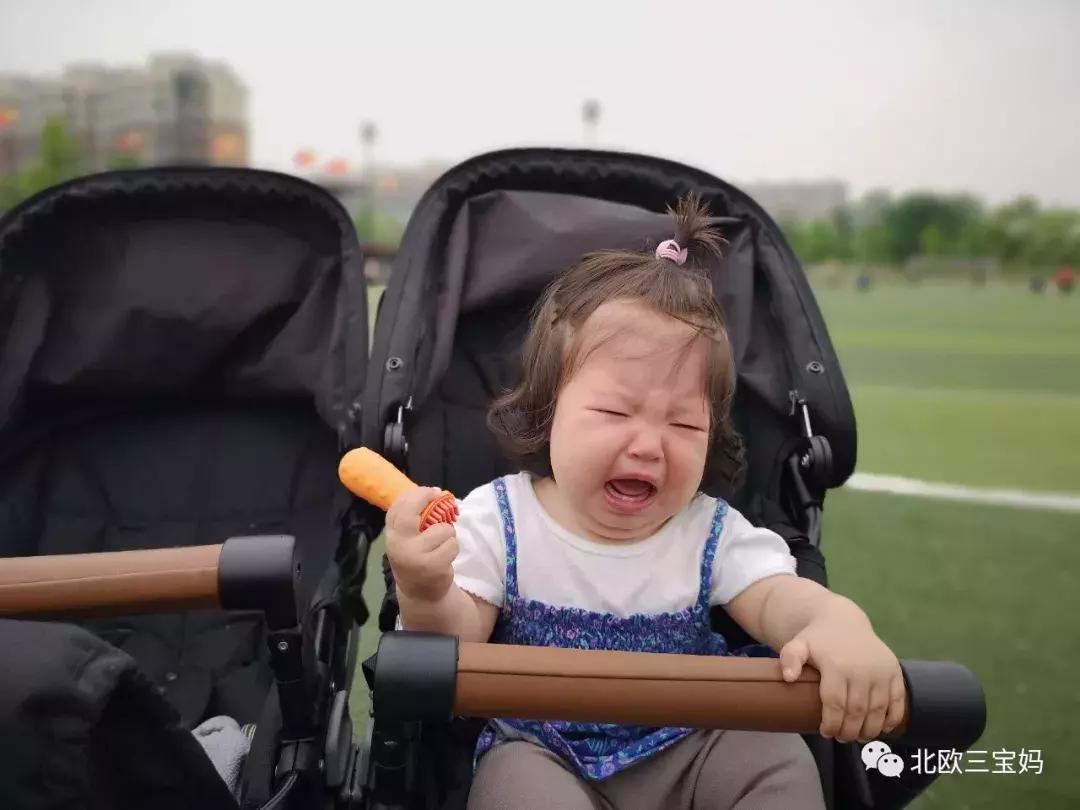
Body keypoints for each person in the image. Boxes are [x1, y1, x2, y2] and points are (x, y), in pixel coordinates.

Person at [385, 194, 904, 810]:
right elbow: (458, 639)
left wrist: (837, 624)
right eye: (612, 412)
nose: (649, 445)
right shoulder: (501, 519)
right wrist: (423, 590)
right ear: (549, 413)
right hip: (546, 752)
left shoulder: (706, 531)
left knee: (778, 762)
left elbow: (782, 600)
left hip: (693, 744)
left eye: (684, 425)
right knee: (513, 786)